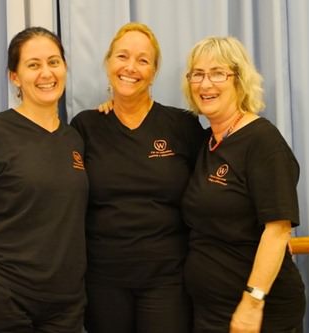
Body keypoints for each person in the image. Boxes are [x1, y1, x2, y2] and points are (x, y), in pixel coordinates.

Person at [0, 26, 88, 333]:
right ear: (15, 76)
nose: (46, 73)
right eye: (33, 65)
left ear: (65, 67)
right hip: (3, 297)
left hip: (65, 304)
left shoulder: (75, 139)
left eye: (53, 62)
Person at [70, 22, 205, 333]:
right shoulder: (86, 126)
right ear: (107, 63)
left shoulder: (182, 125)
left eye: (143, 60)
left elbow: (212, 190)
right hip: (103, 279)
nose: (130, 67)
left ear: (154, 72)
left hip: (168, 278)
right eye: (122, 56)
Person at [181, 36, 306, 332]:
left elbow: (278, 230)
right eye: (197, 74)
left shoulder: (263, 142)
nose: (205, 84)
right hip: (212, 309)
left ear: (240, 79)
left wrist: (253, 302)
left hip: (257, 313)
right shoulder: (206, 142)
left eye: (218, 73)